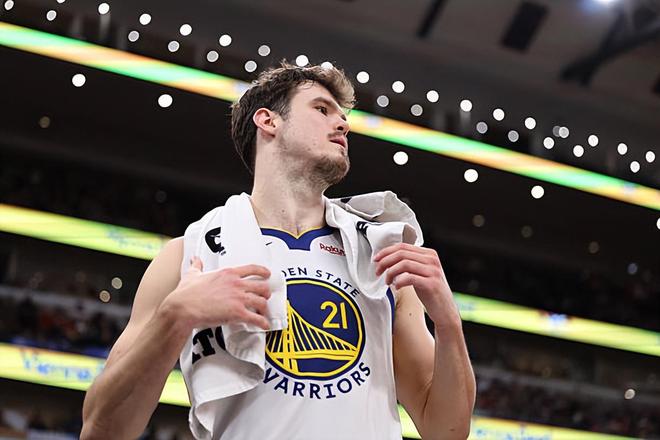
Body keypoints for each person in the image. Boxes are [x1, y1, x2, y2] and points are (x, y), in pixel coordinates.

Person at [80, 62, 476, 439]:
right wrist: (174, 317)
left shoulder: (382, 257)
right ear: (268, 121)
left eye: (343, 117)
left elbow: (447, 430)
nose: (342, 124)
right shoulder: (189, 256)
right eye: (322, 109)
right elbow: (101, 430)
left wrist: (448, 322)